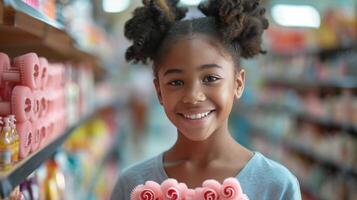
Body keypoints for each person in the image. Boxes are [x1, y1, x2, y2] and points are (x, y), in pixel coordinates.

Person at [111, 0, 301, 199]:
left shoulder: (277, 185)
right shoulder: (132, 185)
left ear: (238, 84)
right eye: (176, 82)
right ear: (159, 91)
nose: (193, 96)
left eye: (211, 78)